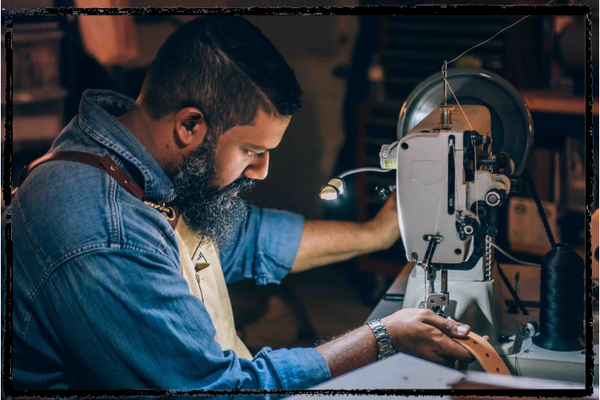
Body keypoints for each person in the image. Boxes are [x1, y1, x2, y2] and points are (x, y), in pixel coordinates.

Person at [11, 16, 475, 390]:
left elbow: (249, 241)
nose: (262, 171)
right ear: (189, 125)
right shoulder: (104, 234)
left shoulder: (135, 156)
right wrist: (381, 338)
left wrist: (377, 232)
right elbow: (218, 389)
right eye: (253, 151)